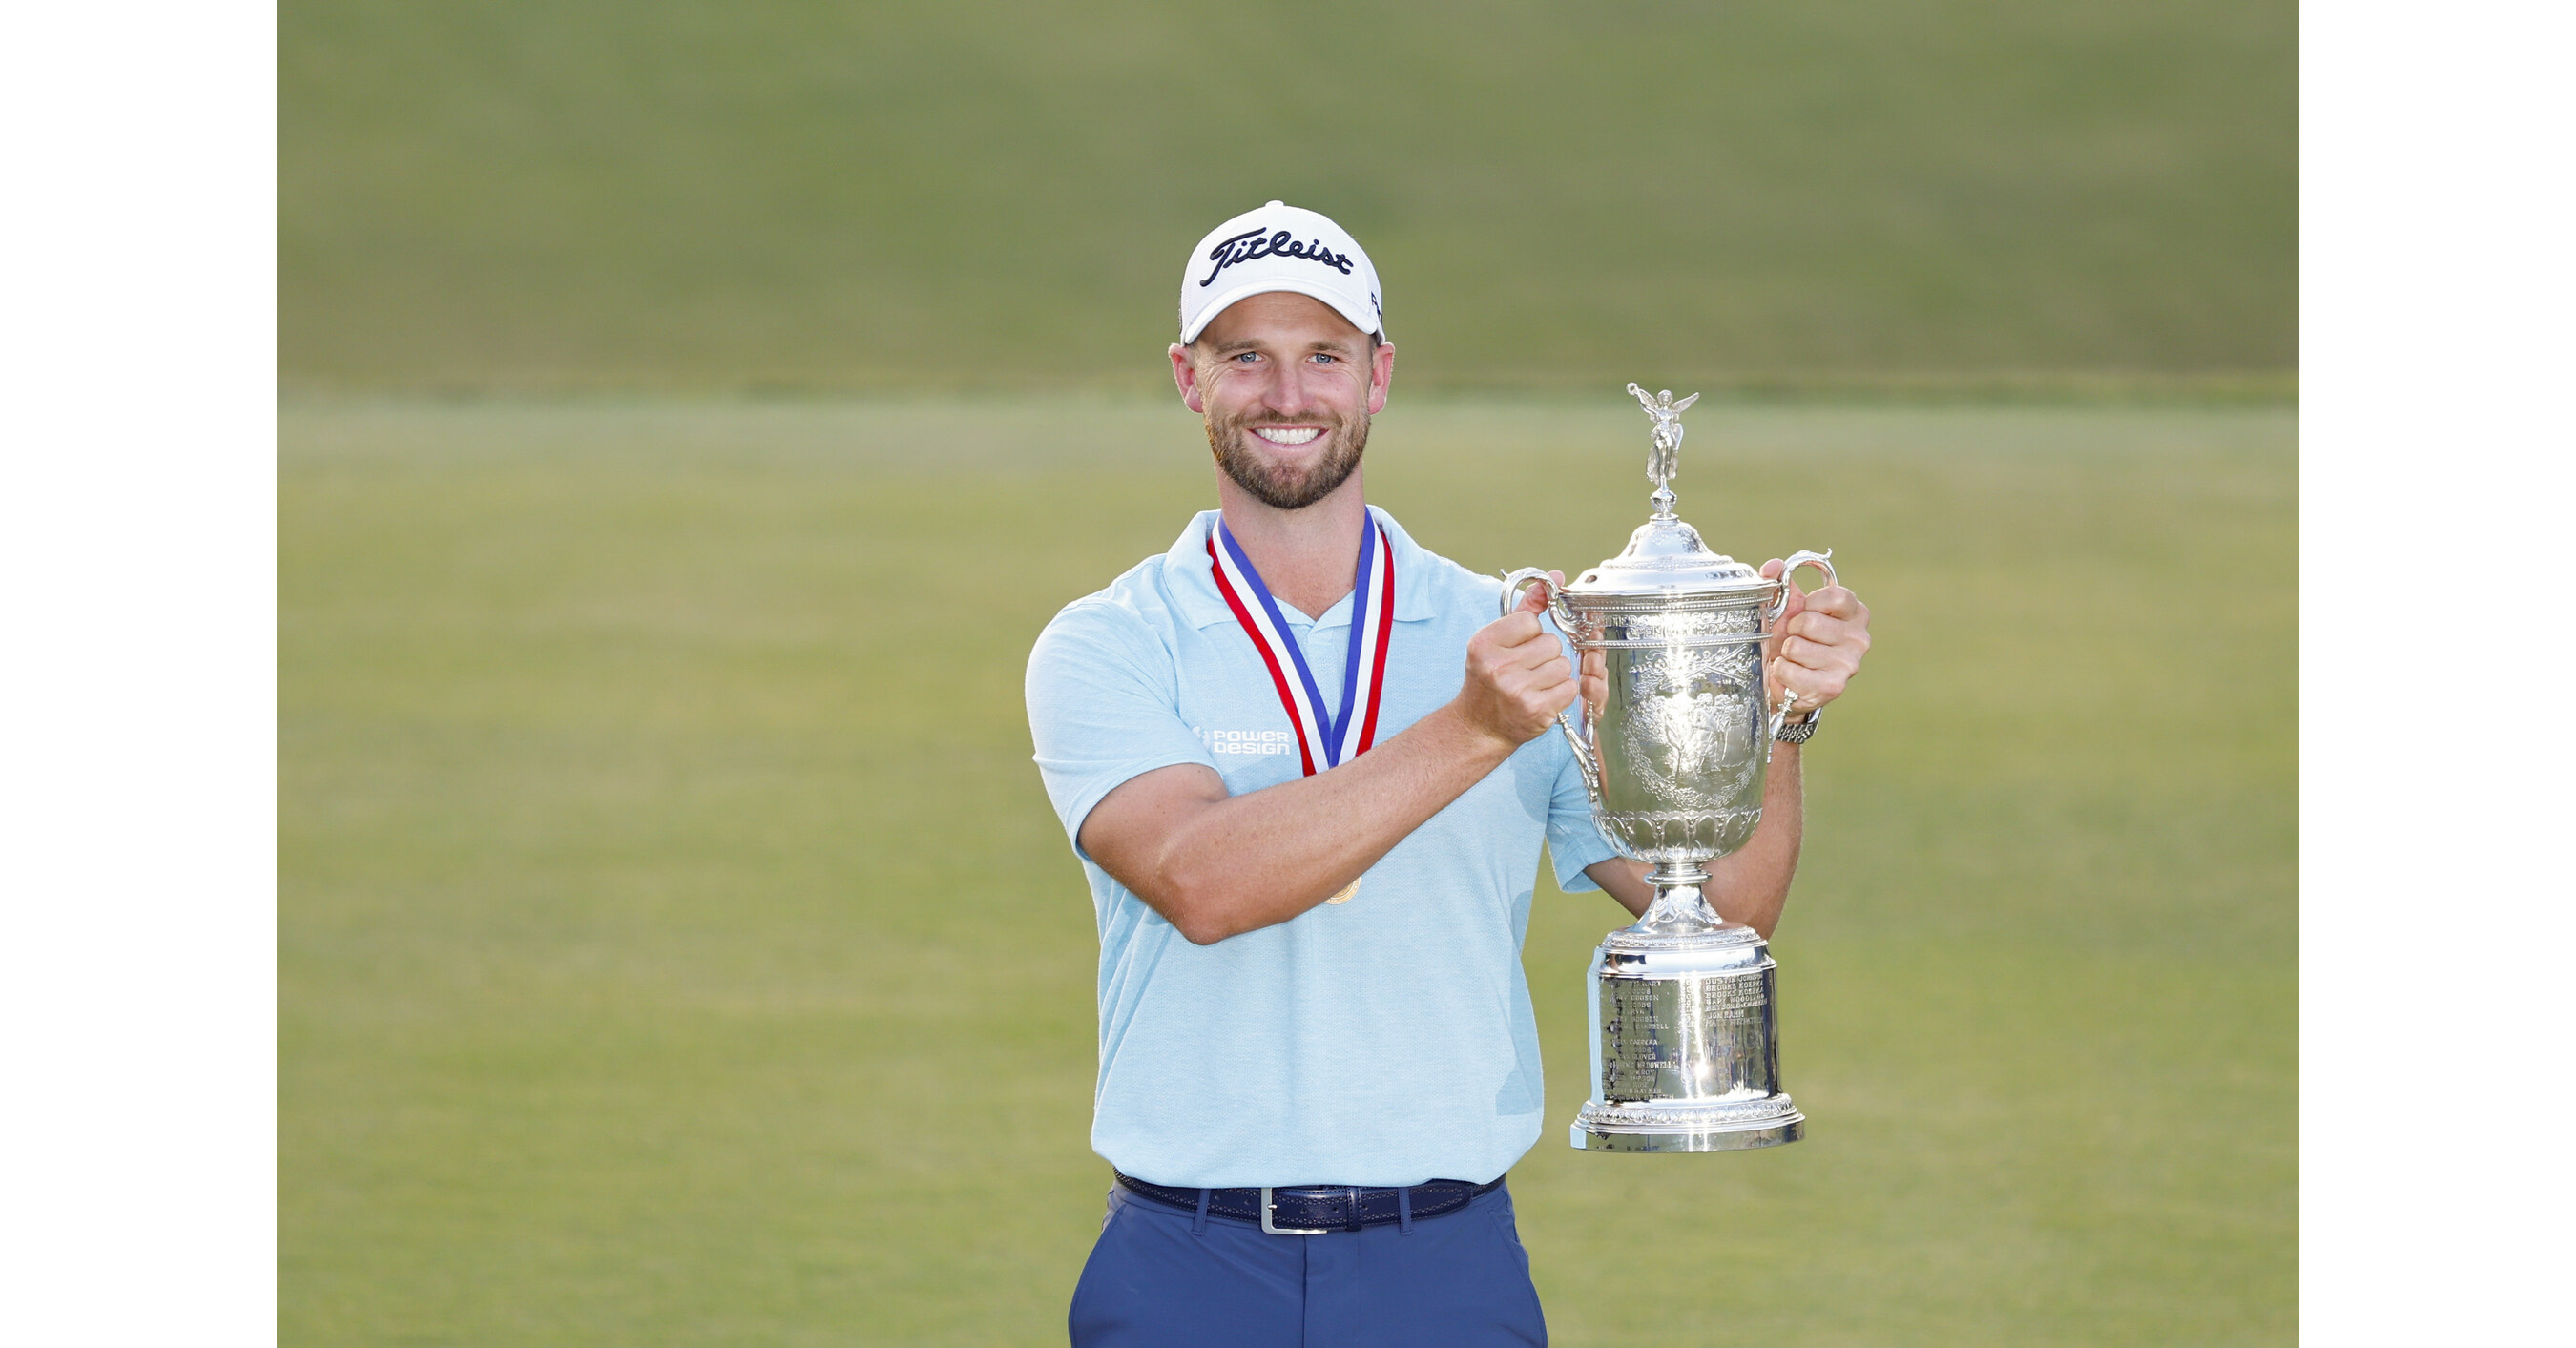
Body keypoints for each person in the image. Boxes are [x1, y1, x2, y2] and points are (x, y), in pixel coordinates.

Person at [1024, 201, 1873, 1347]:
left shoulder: (1518, 632)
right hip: (1188, 1263)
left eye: (1324, 355)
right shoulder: (1109, 640)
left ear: (1379, 376)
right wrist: (1472, 730)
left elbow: (1725, 908)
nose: (1288, 394)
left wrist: (1768, 716)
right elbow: (1199, 883)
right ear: (1188, 378)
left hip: (1446, 1267)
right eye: (1247, 359)